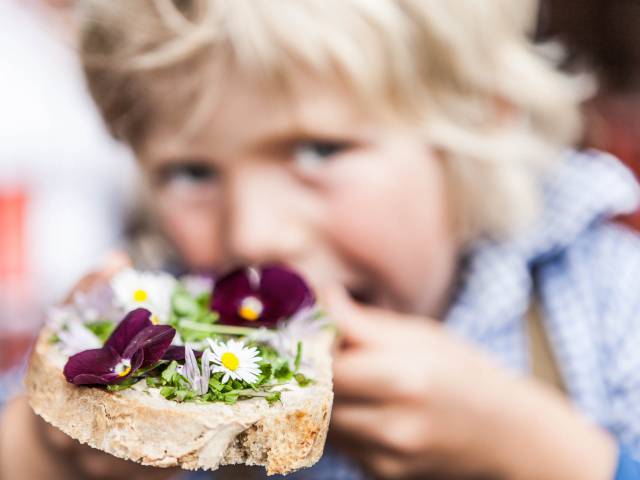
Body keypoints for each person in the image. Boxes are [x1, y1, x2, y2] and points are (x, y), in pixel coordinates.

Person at [3, 1, 640, 478]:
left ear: (477, 126)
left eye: (318, 150)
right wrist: (51, 449)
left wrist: (539, 451)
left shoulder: (605, 301)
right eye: (191, 172)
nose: (252, 235)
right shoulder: (141, 329)